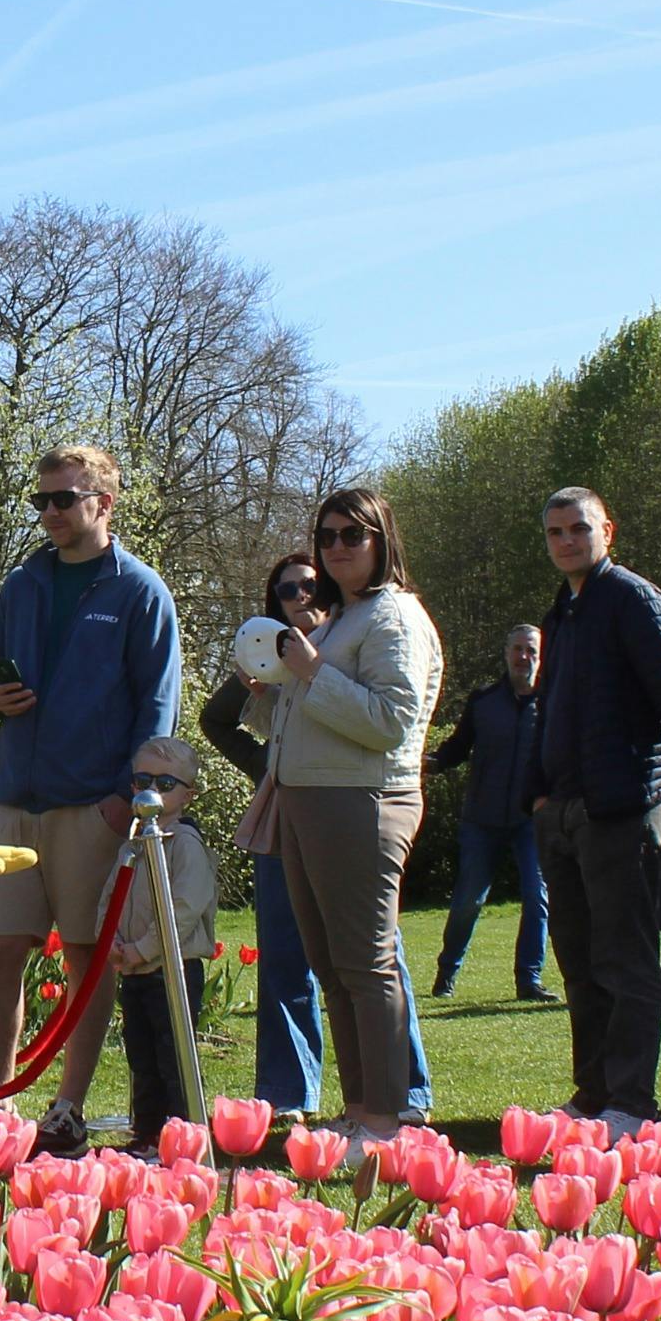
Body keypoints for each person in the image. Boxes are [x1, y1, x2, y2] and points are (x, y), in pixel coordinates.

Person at [0, 445, 181, 1156]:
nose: (51, 512)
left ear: (103, 502)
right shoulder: (22, 583)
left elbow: (158, 705)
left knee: (85, 959)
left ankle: (66, 1108)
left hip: (92, 805)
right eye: (42, 501)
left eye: (65, 498)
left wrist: (128, 799)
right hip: (12, 800)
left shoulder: (140, 591)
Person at [523, 488, 661, 1140]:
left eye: (578, 529)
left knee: (626, 960)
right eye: (555, 533)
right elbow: (547, 710)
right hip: (567, 813)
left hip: (628, 808)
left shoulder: (636, 600)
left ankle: (633, 1103)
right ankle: (596, 1092)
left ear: (607, 529)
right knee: (578, 961)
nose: (567, 542)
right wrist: (538, 796)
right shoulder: (564, 612)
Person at [270, 486, 440, 1142]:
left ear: (382, 540)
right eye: (328, 535)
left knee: (367, 968)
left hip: (363, 803)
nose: (337, 547)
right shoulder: (343, 617)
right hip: (310, 802)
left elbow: (391, 724)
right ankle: (359, 1107)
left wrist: (313, 672)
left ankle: (387, 1119)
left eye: (353, 535)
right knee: (332, 970)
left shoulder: (394, 618)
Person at [203, 552, 332, 1111]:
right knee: (283, 956)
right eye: (286, 590)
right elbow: (215, 721)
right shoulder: (266, 664)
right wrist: (264, 767)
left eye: (309, 586)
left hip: (344, 810)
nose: (299, 596)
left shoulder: (350, 647)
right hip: (281, 812)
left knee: (372, 956)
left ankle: (402, 1091)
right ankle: (287, 1093)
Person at [104, 734, 220, 1156]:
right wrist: (112, 938)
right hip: (135, 966)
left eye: (165, 783)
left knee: (174, 1055)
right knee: (142, 1054)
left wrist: (145, 947)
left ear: (187, 794)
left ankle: (181, 1134)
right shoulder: (134, 840)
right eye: (142, 780)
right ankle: (148, 1132)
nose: (151, 790)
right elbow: (112, 895)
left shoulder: (185, 842)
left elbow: (184, 906)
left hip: (173, 965)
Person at [426, 623, 550, 1003]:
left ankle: (529, 980)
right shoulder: (483, 701)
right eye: (517, 649)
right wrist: (426, 763)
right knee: (468, 899)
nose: (523, 657)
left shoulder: (554, 703)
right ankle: (446, 973)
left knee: (537, 897)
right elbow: (457, 748)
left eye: (530, 650)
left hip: (532, 820)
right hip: (482, 818)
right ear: (505, 652)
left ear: (540, 656)